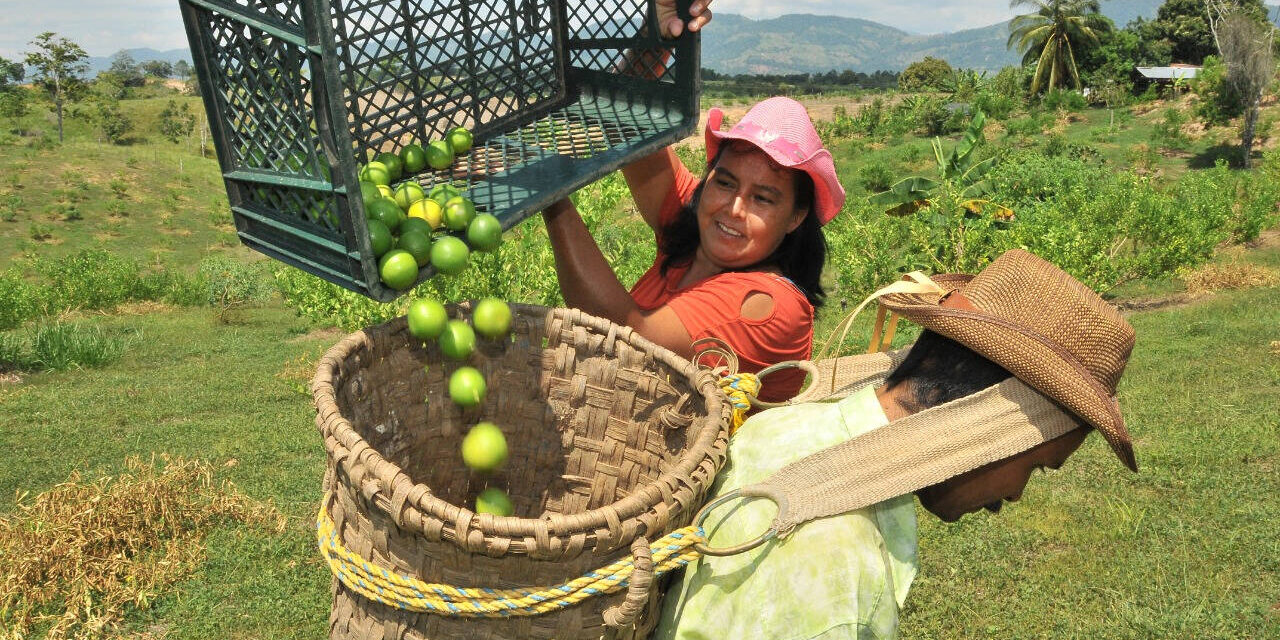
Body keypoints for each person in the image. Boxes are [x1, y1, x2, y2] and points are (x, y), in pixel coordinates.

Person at [654, 249, 1139, 639]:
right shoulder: (844, 588)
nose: (1015, 496)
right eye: (1035, 467)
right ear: (992, 425)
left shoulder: (784, 423)